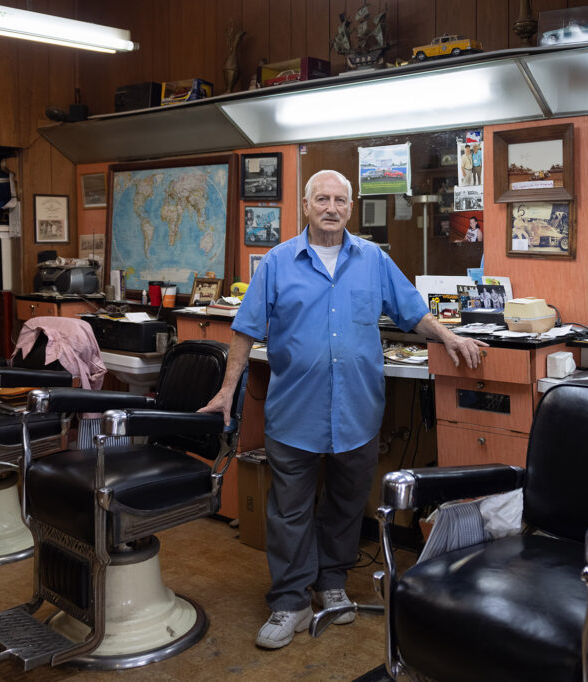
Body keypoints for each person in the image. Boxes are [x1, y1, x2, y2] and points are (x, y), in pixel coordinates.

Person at [198, 170, 486, 650]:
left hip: (357, 410)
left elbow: (412, 312)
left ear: (350, 208)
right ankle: (288, 601)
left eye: (340, 200)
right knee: (289, 510)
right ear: (306, 206)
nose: (331, 208)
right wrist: (228, 390)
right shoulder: (276, 263)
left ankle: (331, 582)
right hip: (295, 411)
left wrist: (451, 337)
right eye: (322, 199)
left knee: (346, 505)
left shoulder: (373, 260)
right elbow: (245, 330)